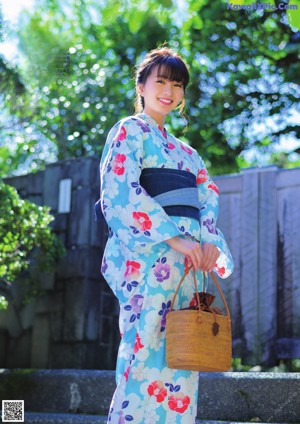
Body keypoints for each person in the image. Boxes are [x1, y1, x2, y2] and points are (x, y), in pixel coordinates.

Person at [98, 46, 234, 424]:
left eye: (177, 84)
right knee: (144, 349)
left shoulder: (189, 155)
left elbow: (207, 203)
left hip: (189, 266)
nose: (169, 91)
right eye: (160, 81)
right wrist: (177, 239)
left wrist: (207, 247)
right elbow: (119, 191)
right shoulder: (129, 131)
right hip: (149, 260)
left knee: (182, 356)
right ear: (141, 85)